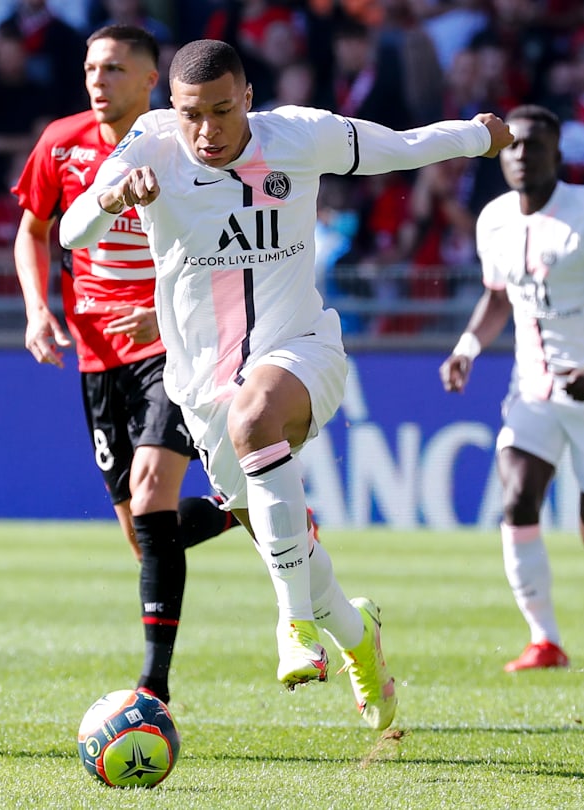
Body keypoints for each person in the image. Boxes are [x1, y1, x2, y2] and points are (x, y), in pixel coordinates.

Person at [60, 37, 513, 729]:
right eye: (191, 115)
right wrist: (112, 194)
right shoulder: (149, 147)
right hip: (201, 387)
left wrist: (478, 137)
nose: (206, 131)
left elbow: (401, 146)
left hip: (301, 351)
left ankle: (292, 626)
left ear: (247, 97)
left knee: (256, 418)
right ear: (170, 107)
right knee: (292, 549)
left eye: (221, 111)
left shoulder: (297, 136)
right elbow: (70, 230)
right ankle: (356, 636)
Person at [12, 25, 239, 707]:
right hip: (95, 350)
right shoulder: (61, 143)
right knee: (146, 540)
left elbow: (233, 242)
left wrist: (173, 316)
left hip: (172, 348)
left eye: (113, 69)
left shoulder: (187, 145)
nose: (97, 80)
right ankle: (242, 510)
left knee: (150, 494)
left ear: (149, 81)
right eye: (90, 68)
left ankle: (154, 685)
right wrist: (37, 309)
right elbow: (35, 229)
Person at [439, 105, 584, 673]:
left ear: (558, 155)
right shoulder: (492, 219)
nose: (521, 155)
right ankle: (545, 640)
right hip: (532, 389)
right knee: (516, 499)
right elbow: (497, 296)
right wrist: (466, 350)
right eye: (512, 145)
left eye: (534, 146)